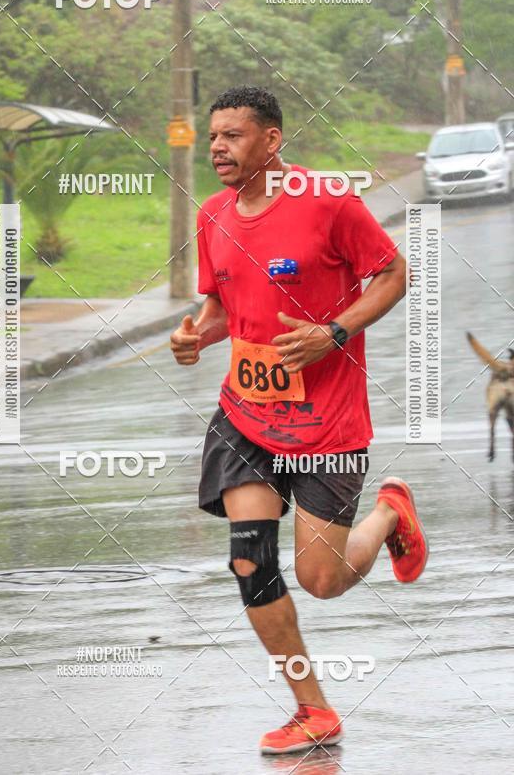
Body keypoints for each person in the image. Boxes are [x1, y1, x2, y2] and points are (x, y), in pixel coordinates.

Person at [170, 85, 428, 755]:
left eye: (233, 135)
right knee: (250, 563)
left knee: (324, 580)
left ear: (272, 140)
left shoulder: (329, 204)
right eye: (214, 136)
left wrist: (333, 333)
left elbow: (395, 274)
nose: (218, 148)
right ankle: (312, 709)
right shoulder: (215, 216)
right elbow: (225, 311)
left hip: (328, 424)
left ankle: (390, 514)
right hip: (245, 416)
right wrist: (197, 337)